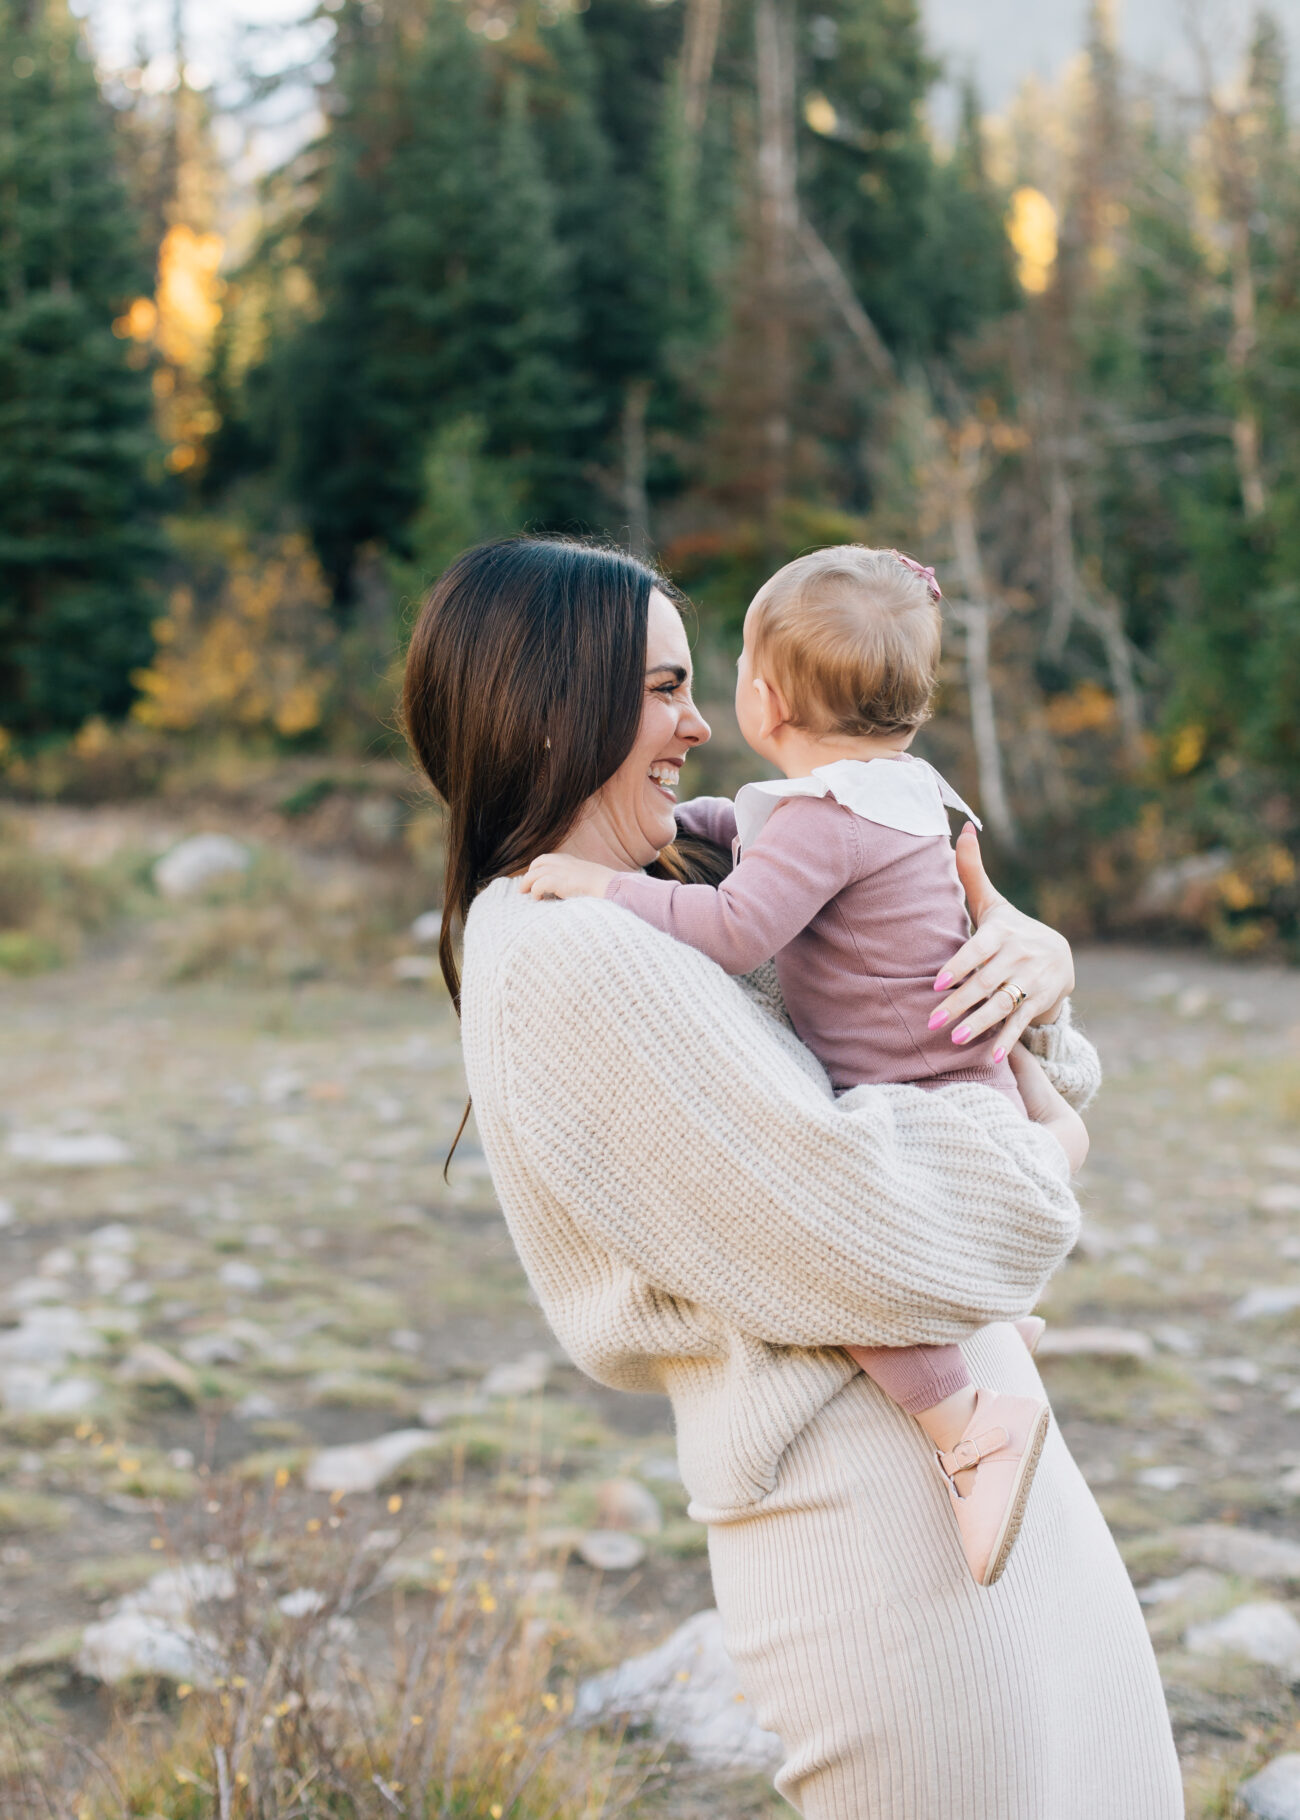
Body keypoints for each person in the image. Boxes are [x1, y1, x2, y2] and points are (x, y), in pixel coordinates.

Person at [403, 535, 1182, 1818]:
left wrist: (1029, 961)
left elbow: (920, 1043)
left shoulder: (659, 897)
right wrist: (1050, 1151)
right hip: (873, 1513)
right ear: (552, 705)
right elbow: (894, 1231)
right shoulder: (569, 946)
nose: (701, 723)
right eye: (661, 688)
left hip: (972, 1462)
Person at [520, 543, 1063, 1587]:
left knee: (851, 1264)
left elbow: (735, 924)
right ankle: (983, 1319)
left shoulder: (824, 820)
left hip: (905, 1092)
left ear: (762, 696)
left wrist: (602, 884)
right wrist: (686, 823)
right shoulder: (903, 790)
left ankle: (966, 1423)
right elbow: (753, 829)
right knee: (889, 1248)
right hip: (957, 1075)